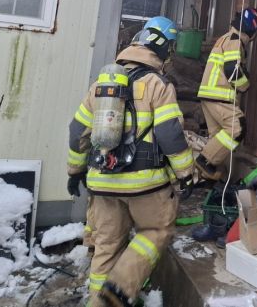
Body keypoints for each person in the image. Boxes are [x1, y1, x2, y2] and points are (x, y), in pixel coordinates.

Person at [67, 16, 193, 307]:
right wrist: (186, 173)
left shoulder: (101, 85)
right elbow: (170, 134)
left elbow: (76, 132)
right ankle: (119, 290)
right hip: (145, 184)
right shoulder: (157, 84)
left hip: (102, 182)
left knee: (107, 245)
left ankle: (98, 303)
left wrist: (75, 170)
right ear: (162, 48)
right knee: (156, 231)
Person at [195, 7, 257, 181]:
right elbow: (232, 71)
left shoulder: (226, 38)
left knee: (219, 139)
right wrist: (245, 85)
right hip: (219, 95)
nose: (256, 37)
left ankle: (211, 178)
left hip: (209, 95)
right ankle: (204, 161)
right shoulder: (235, 40)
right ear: (252, 29)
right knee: (237, 127)